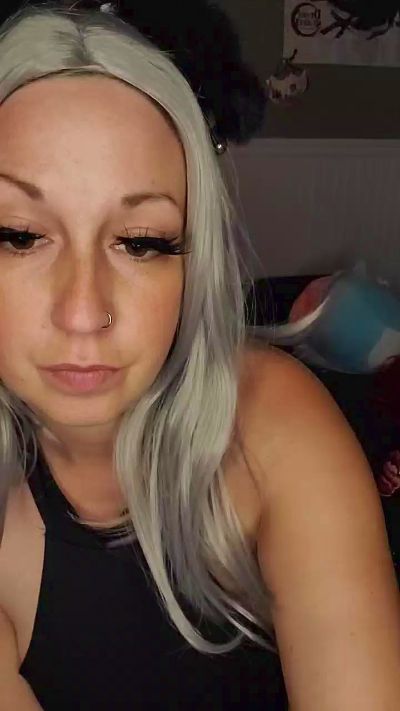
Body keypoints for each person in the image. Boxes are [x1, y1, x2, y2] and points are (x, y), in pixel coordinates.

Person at [0, 2, 399, 710]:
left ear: (193, 264)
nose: (83, 312)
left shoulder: (272, 419)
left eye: (142, 242)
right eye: (20, 235)